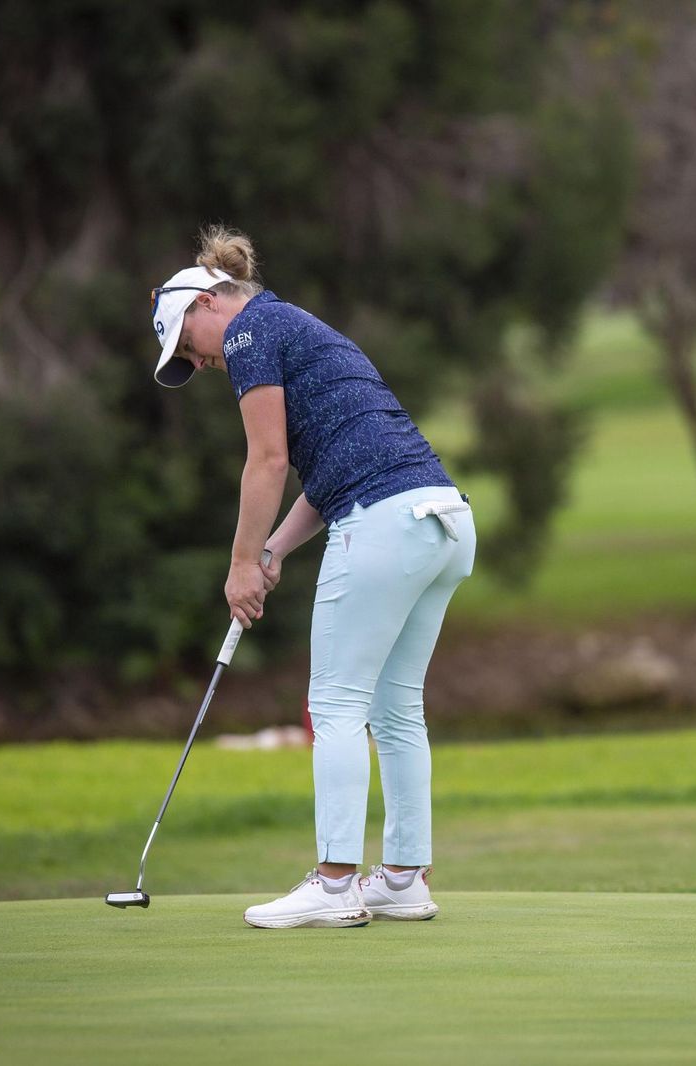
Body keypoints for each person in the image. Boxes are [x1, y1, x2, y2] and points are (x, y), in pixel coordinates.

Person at [149, 225, 476, 929]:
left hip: (384, 525)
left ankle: (334, 886)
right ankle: (403, 879)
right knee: (394, 708)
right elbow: (335, 472)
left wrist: (240, 564)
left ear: (208, 303)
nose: (195, 362)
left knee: (334, 706)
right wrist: (274, 550)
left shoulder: (247, 334)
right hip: (442, 520)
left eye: (185, 345)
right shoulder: (300, 327)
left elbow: (266, 462)